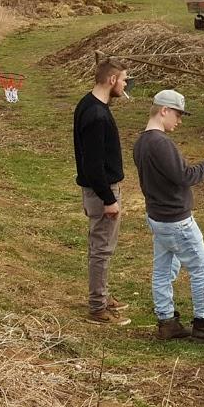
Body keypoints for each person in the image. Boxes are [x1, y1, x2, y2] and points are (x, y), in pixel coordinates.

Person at [133, 89, 204, 343]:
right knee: (203, 267)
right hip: (176, 220)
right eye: (178, 115)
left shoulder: (141, 142)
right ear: (164, 111)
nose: (179, 121)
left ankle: (167, 322)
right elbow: (186, 177)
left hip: (157, 217)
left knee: (164, 270)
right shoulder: (160, 143)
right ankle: (203, 323)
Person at [73, 58, 130, 325]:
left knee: (101, 247)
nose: (125, 84)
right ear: (112, 80)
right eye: (124, 79)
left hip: (101, 190)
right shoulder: (96, 115)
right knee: (102, 249)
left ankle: (103, 296)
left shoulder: (90, 104)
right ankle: (97, 307)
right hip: (102, 192)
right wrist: (109, 199)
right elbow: (92, 164)